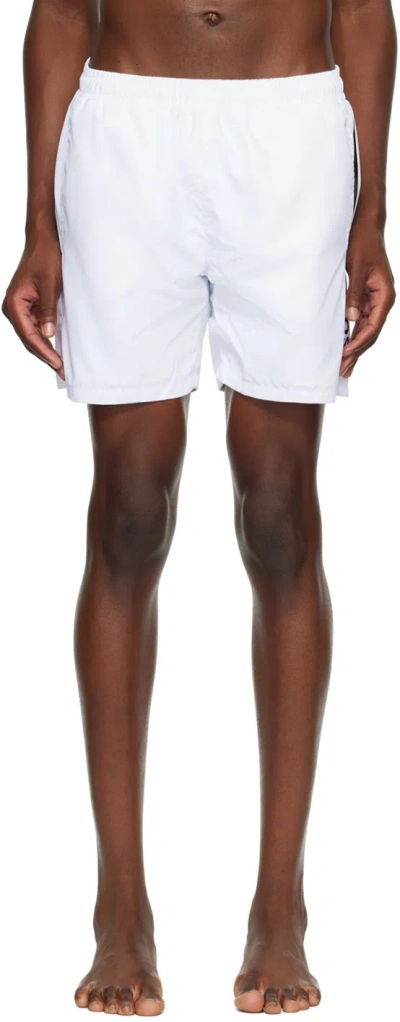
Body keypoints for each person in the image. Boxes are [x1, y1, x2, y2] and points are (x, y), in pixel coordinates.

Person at [2, 0, 396, 1015]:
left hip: (291, 127)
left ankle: (280, 902)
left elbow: (363, 7)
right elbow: (59, 9)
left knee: (279, 515)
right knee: (129, 511)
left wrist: (371, 214)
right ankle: (119, 905)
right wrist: (38, 219)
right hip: (126, 128)